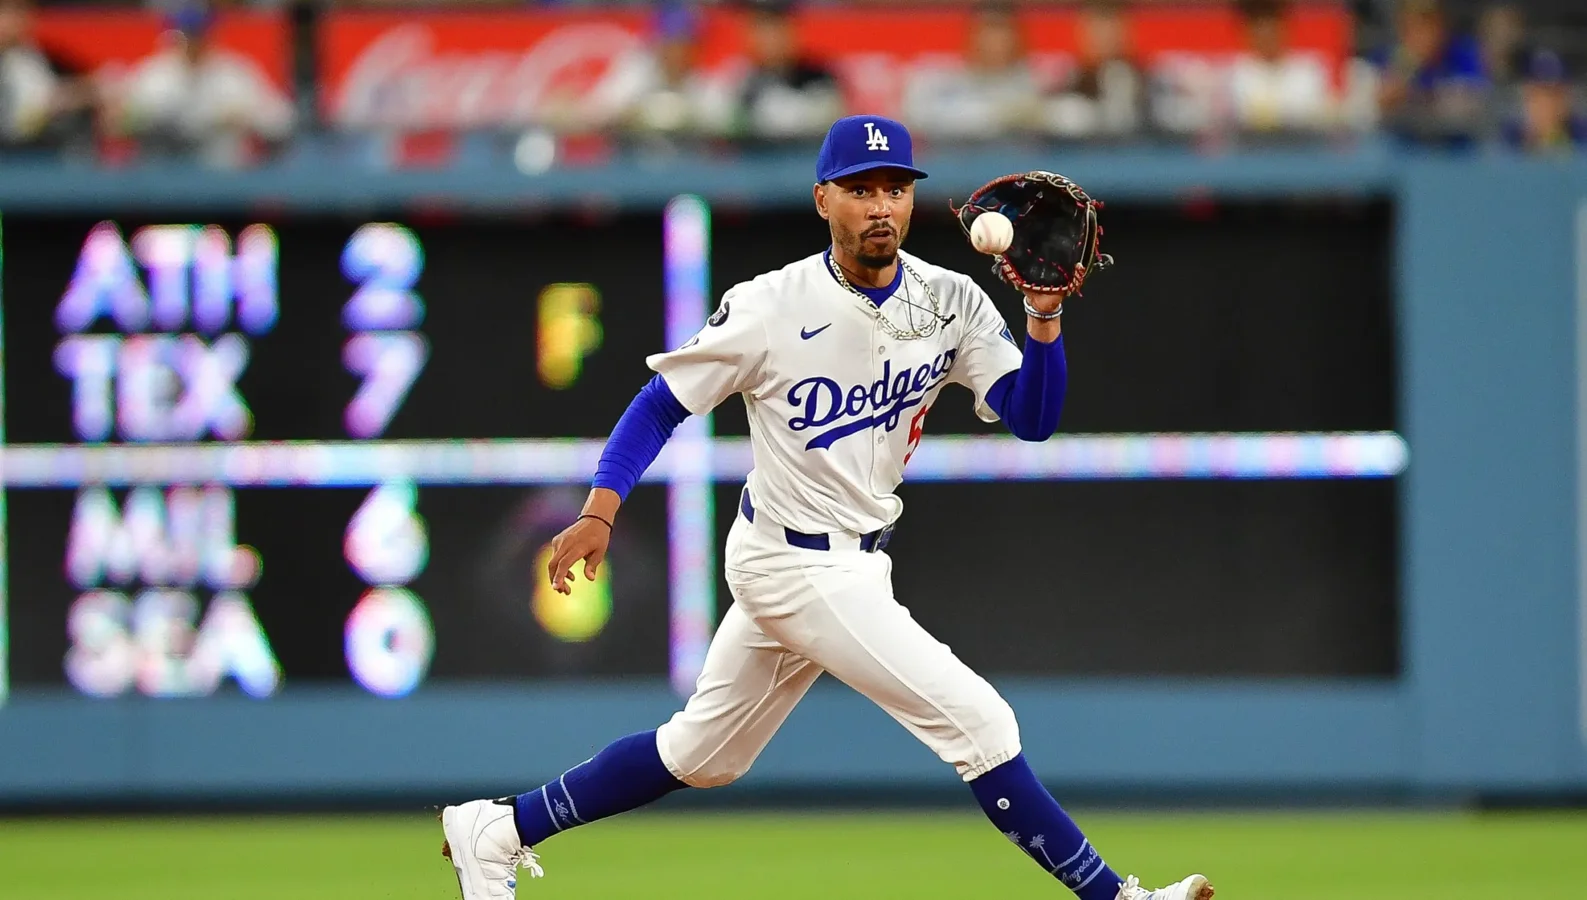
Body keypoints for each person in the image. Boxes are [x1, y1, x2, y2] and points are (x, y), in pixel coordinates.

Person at [439, 115, 1214, 900]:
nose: (880, 205)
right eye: (859, 189)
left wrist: (1043, 315)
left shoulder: (951, 300)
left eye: (894, 189)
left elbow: (1031, 417)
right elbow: (660, 403)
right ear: (822, 200)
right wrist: (599, 510)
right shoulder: (769, 305)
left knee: (702, 756)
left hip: (855, 560)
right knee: (980, 725)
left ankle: (496, 830)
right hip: (789, 561)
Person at [113, 6, 294, 168]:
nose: (193, 41)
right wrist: (146, 119)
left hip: (223, 175)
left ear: (210, 34)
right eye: (186, 34)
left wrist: (246, 117)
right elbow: (118, 122)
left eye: (198, 33)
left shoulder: (235, 73)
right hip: (161, 174)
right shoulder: (152, 74)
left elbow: (282, 119)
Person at [901, 2, 1042, 142]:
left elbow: (1051, 117)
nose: (993, 41)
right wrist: (1000, 114)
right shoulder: (940, 81)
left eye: (1002, 31)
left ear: (1017, 38)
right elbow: (916, 116)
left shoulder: (1036, 86)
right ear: (970, 35)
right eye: (986, 30)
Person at [730, 0, 843, 145]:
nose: (768, 40)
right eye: (760, 30)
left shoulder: (819, 77)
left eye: (774, 30)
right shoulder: (742, 80)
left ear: (791, 32)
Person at [1226, 0, 1334, 138]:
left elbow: (1317, 115)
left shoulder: (1309, 70)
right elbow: (1241, 116)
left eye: (1271, 31)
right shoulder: (1235, 73)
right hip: (1251, 145)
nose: (1267, 39)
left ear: (1284, 31)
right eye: (1260, 32)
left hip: (1301, 144)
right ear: (1249, 35)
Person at [1043, 0, 1142, 142]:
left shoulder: (1146, 85)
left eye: (1112, 25)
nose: (1105, 37)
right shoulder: (1062, 84)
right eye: (1097, 27)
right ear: (1081, 31)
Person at [1500, 49, 1585, 155]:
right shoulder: (1508, 139)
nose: (1547, 104)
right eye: (1538, 94)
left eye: (1555, 94)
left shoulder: (1581, 134)